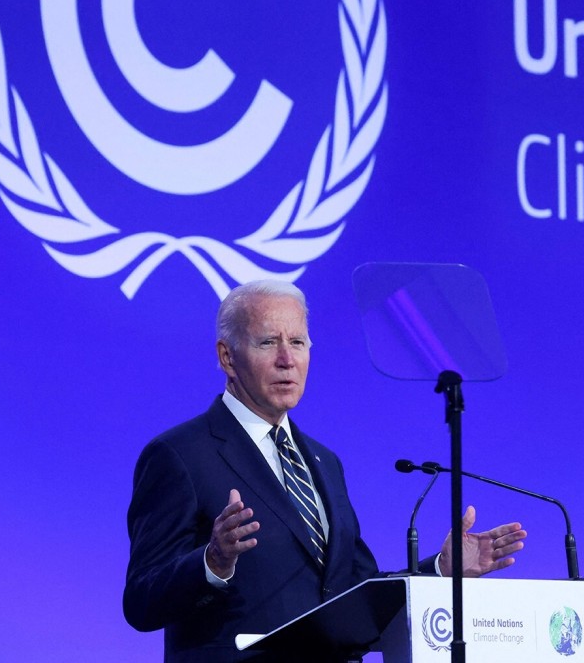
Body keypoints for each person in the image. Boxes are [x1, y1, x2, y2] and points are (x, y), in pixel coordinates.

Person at [123, 279, 527, 661]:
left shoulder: (323, 461)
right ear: (227, 357)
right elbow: (141, 600)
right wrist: (212, 562)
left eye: (297, 342)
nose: (286, 359)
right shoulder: (180, 454)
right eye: (268, 342)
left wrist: (440, 570)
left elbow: (358, 588)